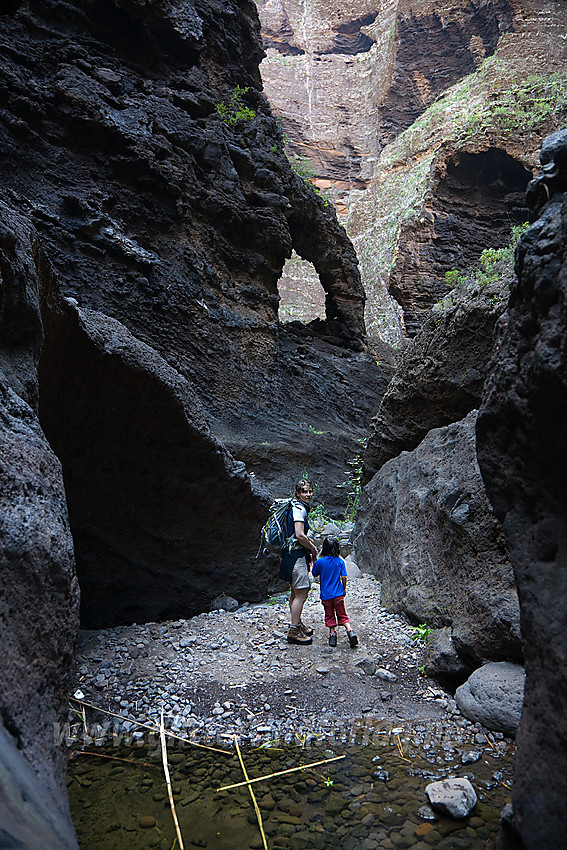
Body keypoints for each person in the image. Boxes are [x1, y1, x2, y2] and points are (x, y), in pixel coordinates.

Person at [279, 479, 318, 645]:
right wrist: (313, 548)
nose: (308, 494)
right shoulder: (299, 510)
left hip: (290, 554)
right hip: (295, 556)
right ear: (298, 494)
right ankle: (294, 631)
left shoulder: (296, 506)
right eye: (304, 492)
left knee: (295, 592)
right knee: (301, 593)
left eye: (310, 491)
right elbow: (300, 535)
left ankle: (297, 622)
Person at [312, 537, 358, 648]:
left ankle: (332, 635)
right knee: (342, 614)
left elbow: (314, 574)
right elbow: (344, 576)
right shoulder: (340, 561)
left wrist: (314, 561)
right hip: (338, 594)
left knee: (329, 615)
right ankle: (350, 630)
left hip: (326, 595)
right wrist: (344, 588)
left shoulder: (320, 562)